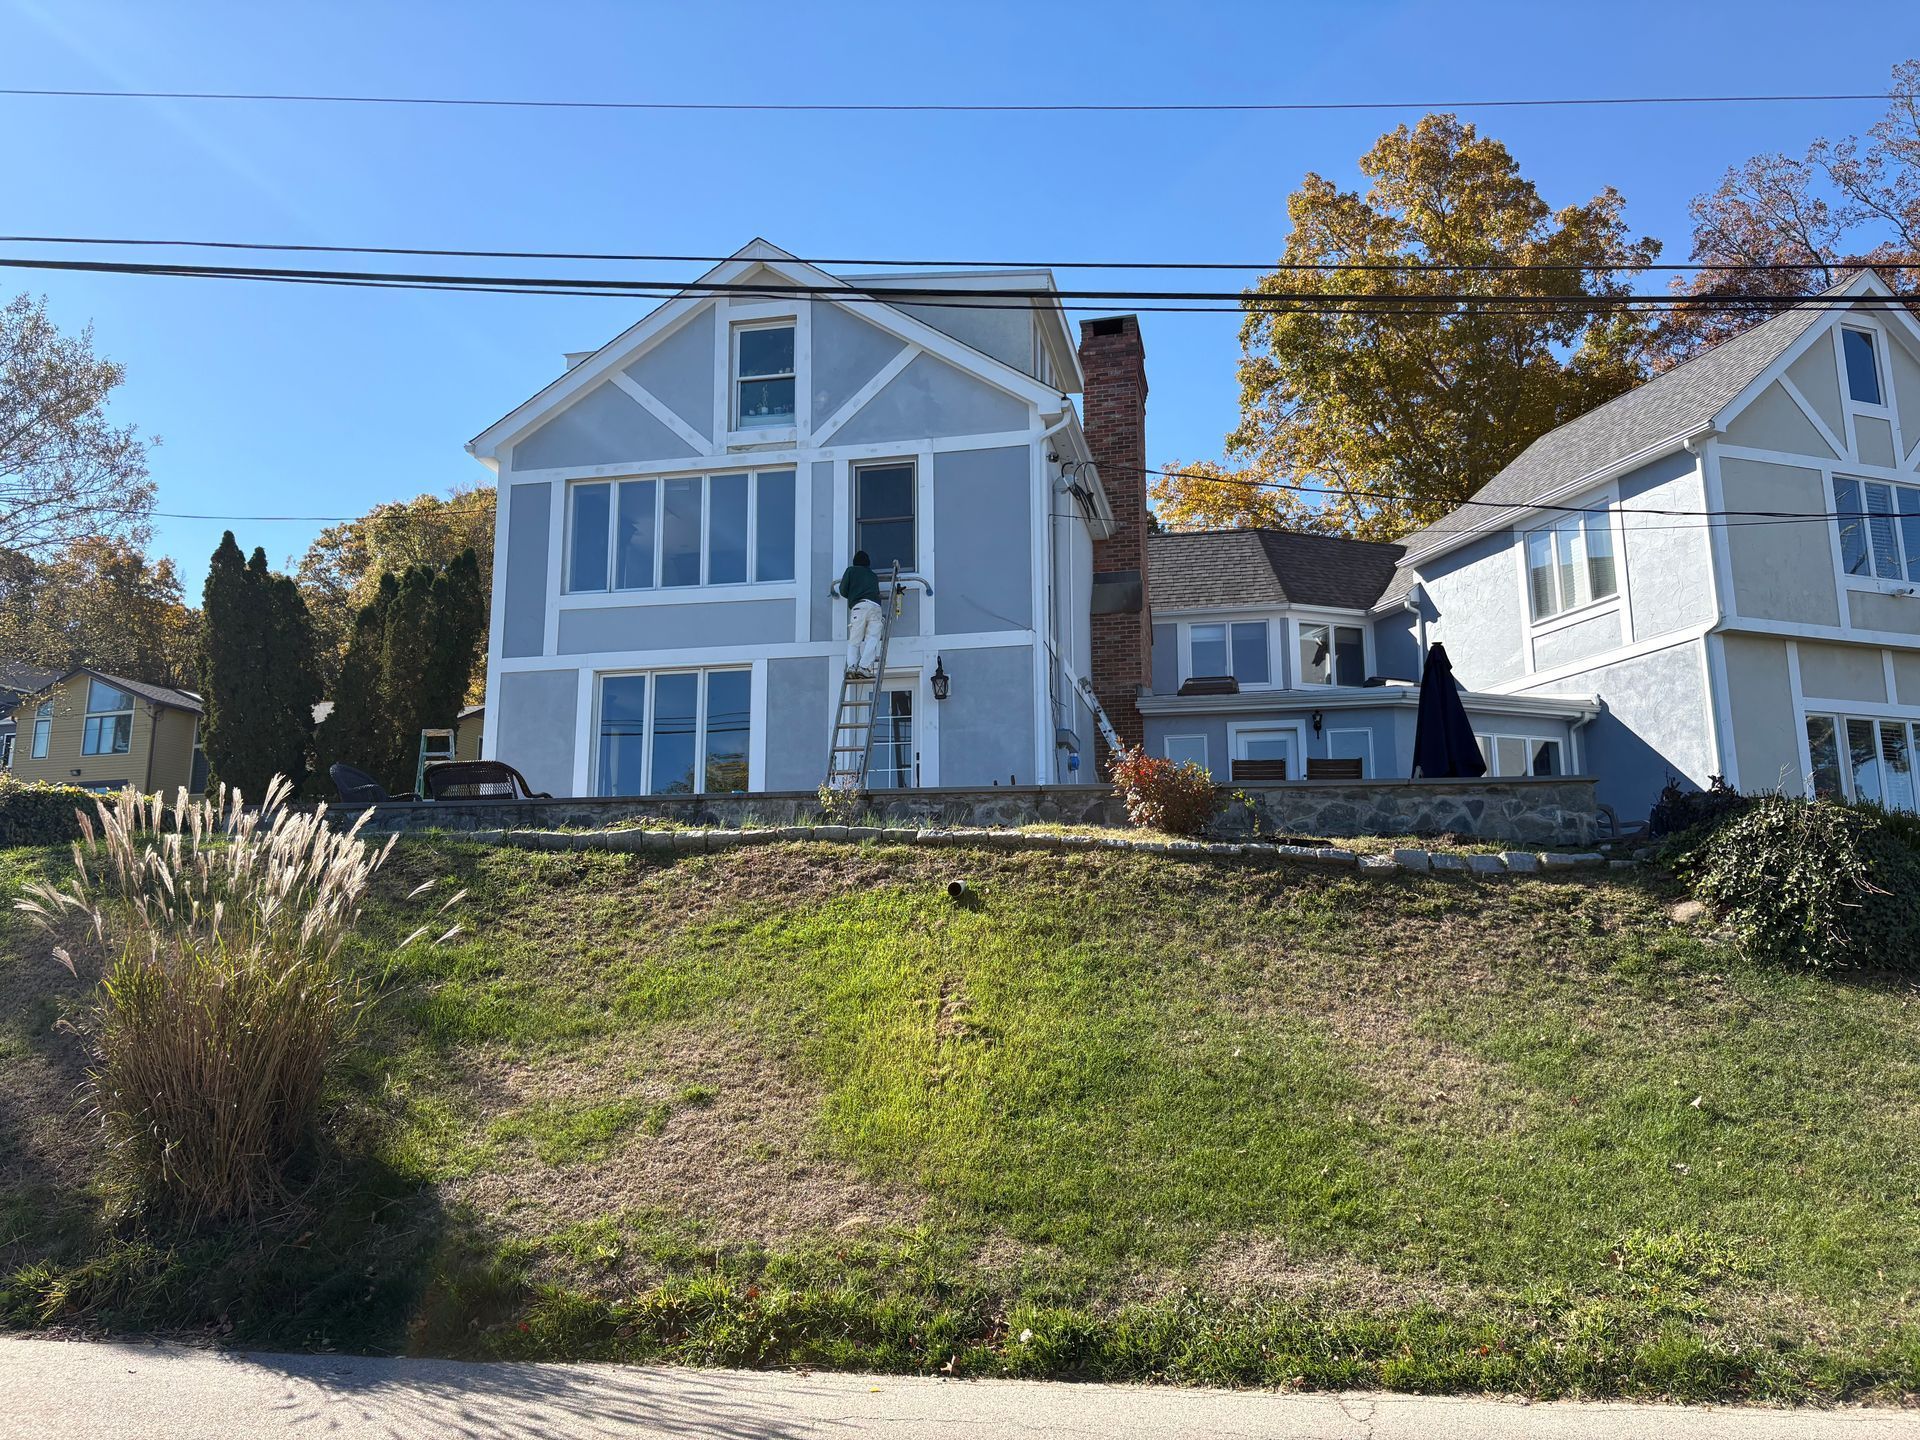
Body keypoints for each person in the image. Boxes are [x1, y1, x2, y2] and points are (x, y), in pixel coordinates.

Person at [839, 550, 883, 678]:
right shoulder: (873, 576)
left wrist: (853, 594)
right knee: (873, 638)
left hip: (859, 607)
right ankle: (864, 667)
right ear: (868, 563)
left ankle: (852, 667)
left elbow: (843, 590)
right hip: (875, 606)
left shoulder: (851, 571)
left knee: (855, 639)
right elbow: (877, 592)